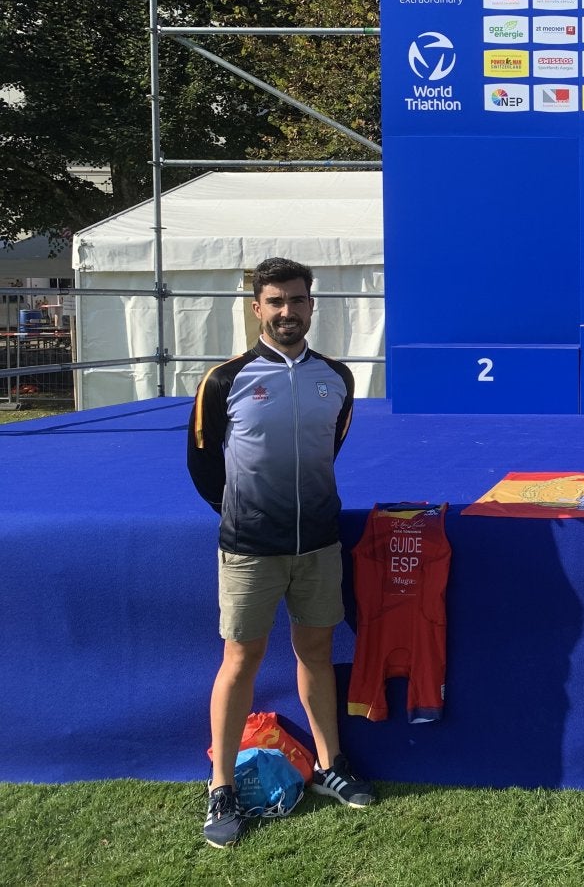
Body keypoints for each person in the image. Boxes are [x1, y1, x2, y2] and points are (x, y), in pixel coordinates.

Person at [187, 257, 376, 848]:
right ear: (256, 307)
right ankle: (220, 787)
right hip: (250, 548)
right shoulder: (224, 380)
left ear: (311, 305)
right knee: (240, 660)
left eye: (297, 300)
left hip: (319, 543)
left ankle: (331, 766)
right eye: (275, 301)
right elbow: (201, 460)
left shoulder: (337, 378)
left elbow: (331, 446)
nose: (287, 311)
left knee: (316, 653)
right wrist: (244, 513)